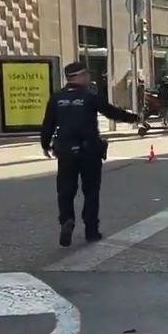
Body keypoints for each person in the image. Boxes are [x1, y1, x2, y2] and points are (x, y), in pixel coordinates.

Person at [41, 61, 139, 247]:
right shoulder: (90, 97)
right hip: (90, 151)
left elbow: (48, 124)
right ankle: (91, 230)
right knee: (91, 191)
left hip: (66, 151)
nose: (88, 77)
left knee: (66, 190)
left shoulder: (56, 98)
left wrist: (45, 145)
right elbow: (112, 112)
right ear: (78, 77)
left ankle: (67, 220)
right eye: (86, 74)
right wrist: (134, 118)